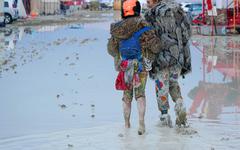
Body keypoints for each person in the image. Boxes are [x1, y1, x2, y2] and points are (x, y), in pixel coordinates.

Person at [107, 0, 161, 135]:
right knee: (140, 95)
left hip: (125, 66)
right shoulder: (144, 25)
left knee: (126, 97)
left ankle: (126, 124)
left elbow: (111, 50)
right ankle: (141, 124)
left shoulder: (117, 28)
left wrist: (119, 58)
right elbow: (155, 47)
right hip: (141, 66)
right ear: (137, 9)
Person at [144, 0, 192, 127]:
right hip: (177, 56)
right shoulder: (178, 10)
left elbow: (147, 38)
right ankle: (179, 103)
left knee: (161, 86)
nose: (147, 4)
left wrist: (147, 59)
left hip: (160, 58)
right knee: (173, 83)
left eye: (148, 1)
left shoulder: (151, 14)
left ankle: (164, 116)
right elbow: (187, 33)